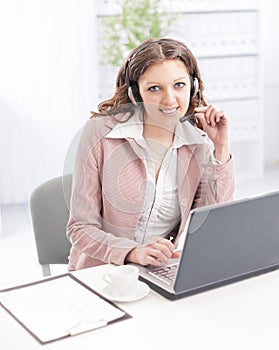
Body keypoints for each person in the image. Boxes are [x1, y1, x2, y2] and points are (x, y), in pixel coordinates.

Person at [66, 37, 235, 270]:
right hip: (102, 271)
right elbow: (80, 228)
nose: (169, 100)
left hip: (161, 269)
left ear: (192, 86)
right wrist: (133, 252)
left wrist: (220, 149)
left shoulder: (198, 142)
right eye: (154, 88)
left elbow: (211, 222)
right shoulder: (100, 133)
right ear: (136, 93)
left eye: (179, 85)